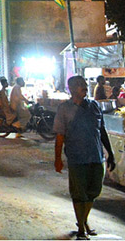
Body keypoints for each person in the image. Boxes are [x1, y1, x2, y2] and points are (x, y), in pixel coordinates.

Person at [54, 75, 117, 240]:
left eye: (84, 84)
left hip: (96, 156)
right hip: (77, 157)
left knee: (93, 191)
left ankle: (84, 220)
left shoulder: (94, 106)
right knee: (79, 193)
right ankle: (81, 226)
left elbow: (101, 131)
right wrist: (58, 158)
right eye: (80, 84)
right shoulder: (64, 109)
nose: (84, 87)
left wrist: (110, 153)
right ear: (71, 89)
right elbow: (60, 136)